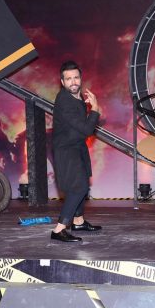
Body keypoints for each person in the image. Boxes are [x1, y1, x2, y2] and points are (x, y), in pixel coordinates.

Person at [50, 60, 102, 242]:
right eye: (68, 79)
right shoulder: (64, 100)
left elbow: (81, 129)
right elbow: (87, 129)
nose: (73, 82)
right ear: (62, 82)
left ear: (80, 78)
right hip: (66, 149)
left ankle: (78, 222)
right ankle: (59, 229)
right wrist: (95, 109)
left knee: (83, 183)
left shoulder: (77, 98)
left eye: (76, 77)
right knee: (78, 187)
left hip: (77, 146)